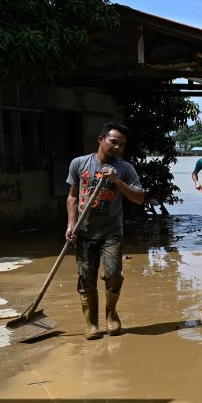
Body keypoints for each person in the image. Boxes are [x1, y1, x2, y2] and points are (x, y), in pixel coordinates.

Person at [66, 123, 145, 339]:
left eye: (122, 144)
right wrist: (70, 225)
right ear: (101, 139)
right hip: (84, 231)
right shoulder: (79, 164)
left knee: (112, 274)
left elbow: (139, 197)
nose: (117, 147)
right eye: (113, 142)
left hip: (112, 232)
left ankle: (111, 313)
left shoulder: (125, 169)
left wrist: (116, 180)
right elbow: (73, 196)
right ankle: (91, 324)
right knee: (86, 277)